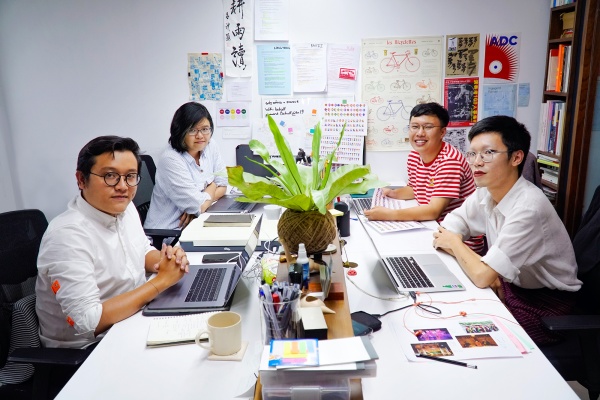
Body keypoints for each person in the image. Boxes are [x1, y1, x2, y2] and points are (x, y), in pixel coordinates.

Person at [433, 116, 581, 345]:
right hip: (513, 288)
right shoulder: (487, 189)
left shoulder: (529, 207)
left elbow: (481, 275)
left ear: (516, 157)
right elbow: (449, 227)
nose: (476, 162)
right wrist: (459, 245)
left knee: (472, 338)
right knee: (449, 313)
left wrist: (456, 244)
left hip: (546, 307)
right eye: (472, 153)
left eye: (488, 153)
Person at [36, 136, 189, 348]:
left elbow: (143, 250)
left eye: (130, 176)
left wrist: (167, 260)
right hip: (90, 349)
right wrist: (161, 281)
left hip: (133, 318)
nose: (122, 186)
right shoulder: (67, 236)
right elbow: (89, 322)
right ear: (81, 179)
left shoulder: (124, 210)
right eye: (110, 176)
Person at [365, 102, 484, 253]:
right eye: (414, 127)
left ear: (442, 132)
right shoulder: (415, 155)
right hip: (432, 228)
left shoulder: (449, 160)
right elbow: (416, 189)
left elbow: (433, 211)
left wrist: (389, 215)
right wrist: (393, 194)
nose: (420, 133)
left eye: (428, 127)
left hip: (459, 241)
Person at [144, 102, 228, 230]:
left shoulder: (211, 146)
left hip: (198, 222)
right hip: (171, 233)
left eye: (205, 129)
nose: (200, 136)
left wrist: (202, 204)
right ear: (180, 131)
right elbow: (198, 206)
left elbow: (223, 184)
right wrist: (213, 185)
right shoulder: (171, 159)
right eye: (192, 130)